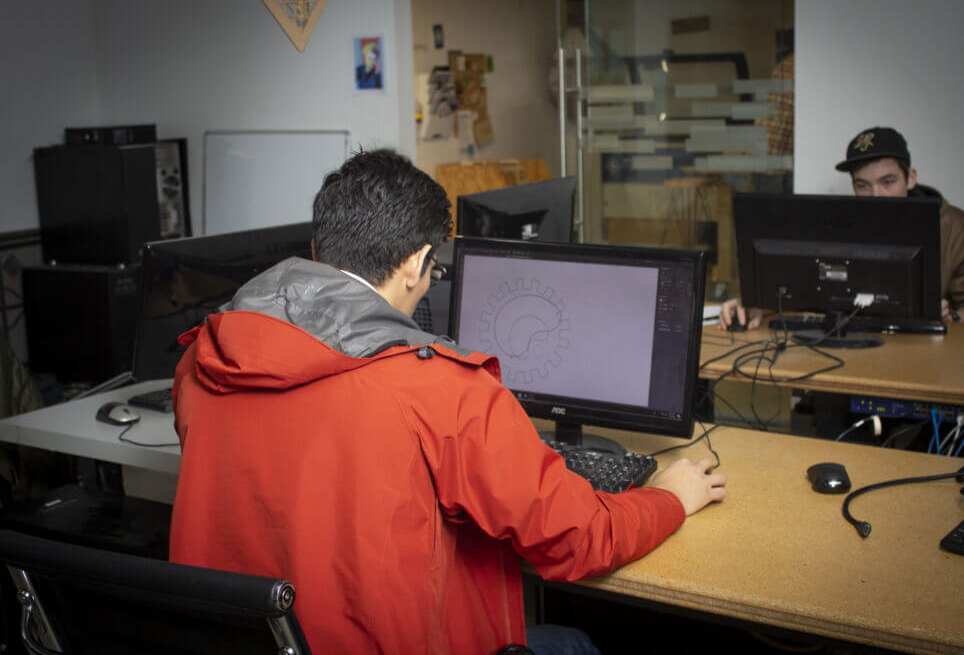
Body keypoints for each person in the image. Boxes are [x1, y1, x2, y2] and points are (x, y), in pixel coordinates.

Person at [169, 149, 727, 653]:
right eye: (434, 269)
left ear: (319, 250)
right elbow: (578, 537)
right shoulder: (441, 392)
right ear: (417, 263)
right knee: (576, 643)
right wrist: (669, 498)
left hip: (268, 640)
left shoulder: (203, 362)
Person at [719, 126, 964, 330]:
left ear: (911, 178)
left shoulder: (955, 226)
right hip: (855, 350)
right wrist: (756, 303)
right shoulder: (838, 224)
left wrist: (950, 317)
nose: (876, 195)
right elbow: (810, 290)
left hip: (925, 357)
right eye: (863, 185)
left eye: (888, 182)